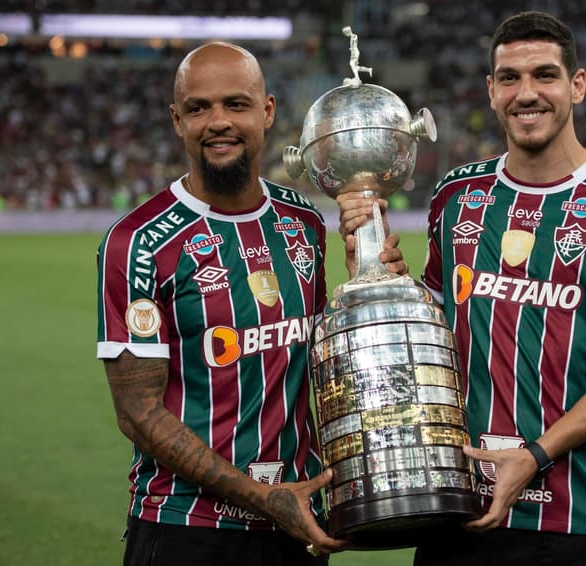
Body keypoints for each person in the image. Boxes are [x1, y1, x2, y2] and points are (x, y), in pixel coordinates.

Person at [338, 11, 586, 566]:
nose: (527, 93)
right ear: (491, 91)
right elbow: (433, 330)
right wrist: (378, 270)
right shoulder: (456, 195)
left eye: (544, 75)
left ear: (577, 84)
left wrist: (534, 455)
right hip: (459, 513)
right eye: (510, 78)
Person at [96, 42, 404, 565]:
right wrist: (263, 498)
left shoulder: (302, 222)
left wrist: (368, 281)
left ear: (267, 111)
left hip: (295, 526)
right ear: (177, 120)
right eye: (199, 108)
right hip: (186, 531)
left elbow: (313, 351)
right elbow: (138, 412)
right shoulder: (138, 241)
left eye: (236, 104)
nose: (218, 122)